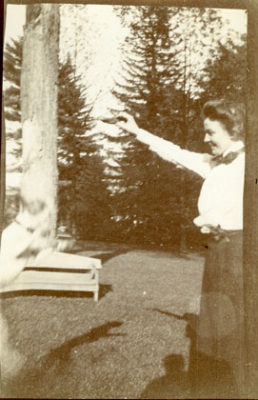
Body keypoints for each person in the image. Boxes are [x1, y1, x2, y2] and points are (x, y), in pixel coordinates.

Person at [114, 99, 245, 397]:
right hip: (216, 254)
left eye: (211, 132)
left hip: (238, 255)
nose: (205, 138)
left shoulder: (248, 163)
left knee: (236, 331)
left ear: (232, 129)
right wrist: (137, 132)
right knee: (213, 330)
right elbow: (175, 153)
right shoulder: (212, 163)